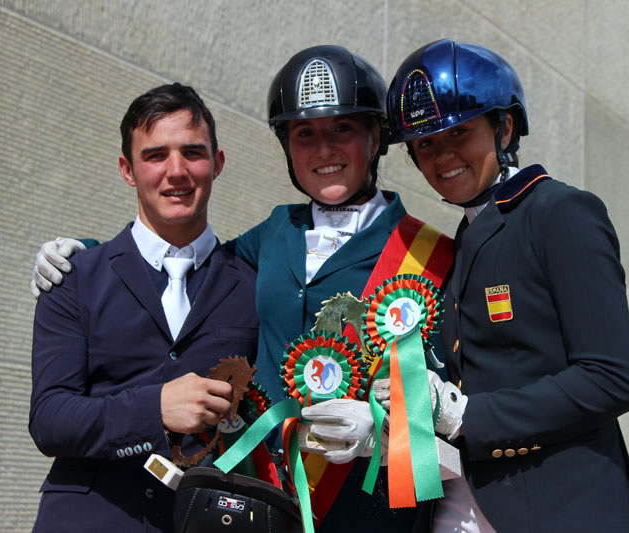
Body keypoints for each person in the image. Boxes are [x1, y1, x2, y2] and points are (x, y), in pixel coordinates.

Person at [30, 46, 455, 532]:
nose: (324, 150)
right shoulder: (270, 238)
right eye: (304, 134)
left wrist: (386, 435)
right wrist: (82, 256)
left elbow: (456, 409)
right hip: (258, 508)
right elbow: (176, 256)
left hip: (366, 513)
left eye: (343, 128)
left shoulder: (431, 257)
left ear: (376, 136)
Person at [383, 39, 629, 532]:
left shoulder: (559, 212)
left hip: (560, 505)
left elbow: (612, 377)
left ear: (504, 127)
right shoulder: (463, 238)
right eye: (425, 144)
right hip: (462, 505)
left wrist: (469, 417)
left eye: (458, 132)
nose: (442, 157)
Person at [29, 83, 260, 532]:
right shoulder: (73, 277)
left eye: (192, 152)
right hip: (88, 518)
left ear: (218, 163)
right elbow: (50, 420)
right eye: (155, 156)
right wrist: (153, 409)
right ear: (127, 170)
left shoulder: (253, 287)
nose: (176, 171)